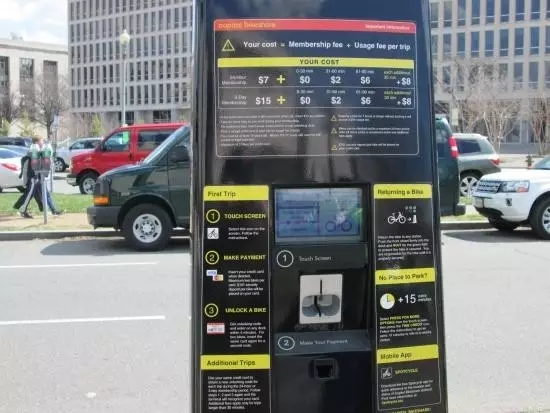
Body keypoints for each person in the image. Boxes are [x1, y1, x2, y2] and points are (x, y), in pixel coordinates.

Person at [13, 138, 44, 218]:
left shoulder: (36, 148)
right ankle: (22, 210)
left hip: (34, 176)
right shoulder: (34, 148)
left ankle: (45, 209)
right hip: (32, 177)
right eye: (41, 140)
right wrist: (35, 175)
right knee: (29, 194)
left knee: (35, 194)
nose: (42, 142)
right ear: (37, 141)